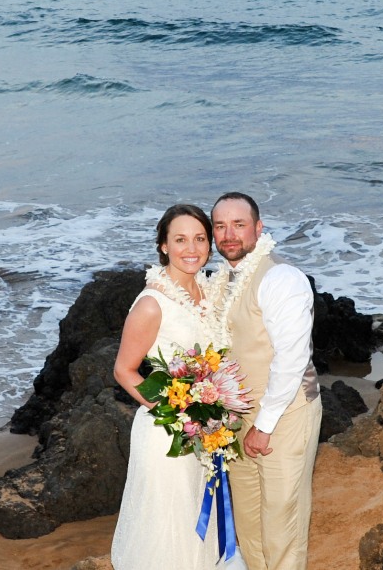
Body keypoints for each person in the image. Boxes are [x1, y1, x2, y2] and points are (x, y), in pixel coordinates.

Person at [109, 204, 245, 569]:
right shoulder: (152, 304)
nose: (191, 248)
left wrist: (212, 414)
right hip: (167, 434)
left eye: (200, 238)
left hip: (206, 432)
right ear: (164, 246)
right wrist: (176, 412)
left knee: (200, 520)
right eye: (180, 239)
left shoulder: (209, 292)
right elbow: (124, 370)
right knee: (169, 529)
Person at [209, 192, 319, 570]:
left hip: (284, 414)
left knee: (280, 520)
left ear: (258, 227)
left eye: (239, 225)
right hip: (237, 416)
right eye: (220, 226)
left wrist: (265, 425)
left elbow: (292, 359)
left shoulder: (281, 278)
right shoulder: (221, 279)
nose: (229, 235)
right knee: (249, 519)